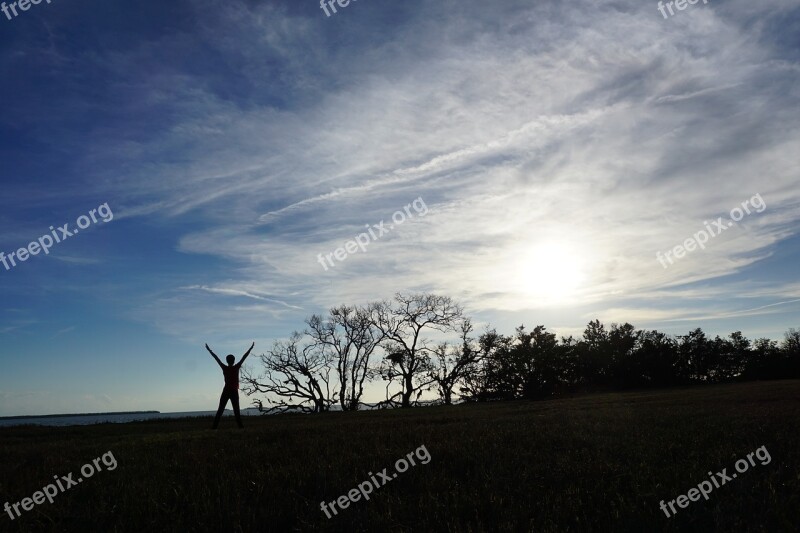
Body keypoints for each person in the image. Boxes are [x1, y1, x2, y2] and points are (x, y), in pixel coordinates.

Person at [205, 342, 254, 429]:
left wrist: (209, 350)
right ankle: (241, 427)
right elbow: (244, 357)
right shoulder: (236, 367)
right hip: (234, 391)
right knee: (236, 411)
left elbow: (216, 358)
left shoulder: (225, 367)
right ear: (233, 360)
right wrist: (250, 349)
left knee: (220, 410)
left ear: (227, 361)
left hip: (226, 390)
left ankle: (214, 428)